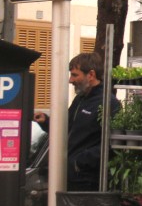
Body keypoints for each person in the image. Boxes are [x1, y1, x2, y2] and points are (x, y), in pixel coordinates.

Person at [34, 52, 119, 191]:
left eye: (75, 75)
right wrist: (46, 122)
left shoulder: (108, 103)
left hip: (88, 182)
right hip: (71, 176)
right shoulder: (80, 99)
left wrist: (79, 162)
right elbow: (67, 129)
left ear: (91, 75)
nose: (70, 80)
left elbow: (112, 144)